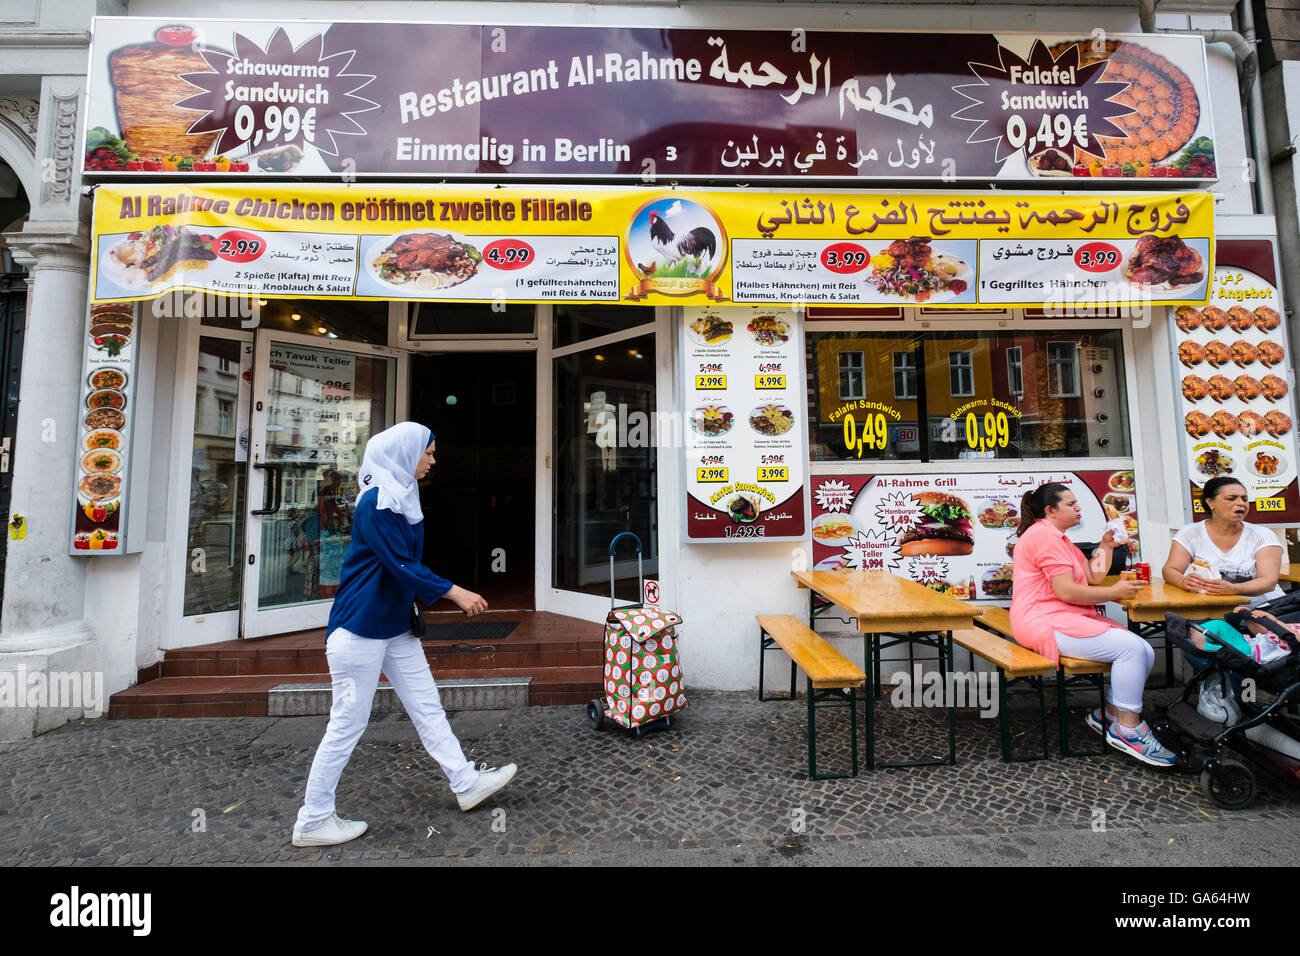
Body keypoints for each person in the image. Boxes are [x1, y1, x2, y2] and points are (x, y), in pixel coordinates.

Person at [292, 422, 516, 848]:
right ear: (403, 454)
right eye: (428, 453)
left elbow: (401, 569)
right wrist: (455, 592)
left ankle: (465, 782)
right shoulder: (376, 502)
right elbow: (400, 564)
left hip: (393, 626)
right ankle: (313, 820)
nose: (432, 461)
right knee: (346, 724)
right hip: (359, 629)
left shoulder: (400, 495)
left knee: (427, 706)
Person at [1010, 482, 1177, 767]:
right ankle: (1128, 730)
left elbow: (1091, 576)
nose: (1079, 508)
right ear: (1051, 510)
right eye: (1072, 504)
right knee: (1132, 650)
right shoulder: (1043, 538)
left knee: (1145, 651)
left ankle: (1110, 714)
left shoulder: (1058, 537)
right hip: (1042, 620)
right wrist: (1115, 593)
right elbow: (1067, 591)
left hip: (1063, 616)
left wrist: (1105, 546)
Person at [1162, 476, 1283, 604]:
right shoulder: (1191, 533)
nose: (1241, 503)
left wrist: (1234, 589)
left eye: (1244, 499)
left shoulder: (1262, 535)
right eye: (1231, 498)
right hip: (1213, 608)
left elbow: (1268, 582)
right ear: (1210, 503)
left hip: (1264, 608)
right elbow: (1170, 570)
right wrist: (1183, 581)